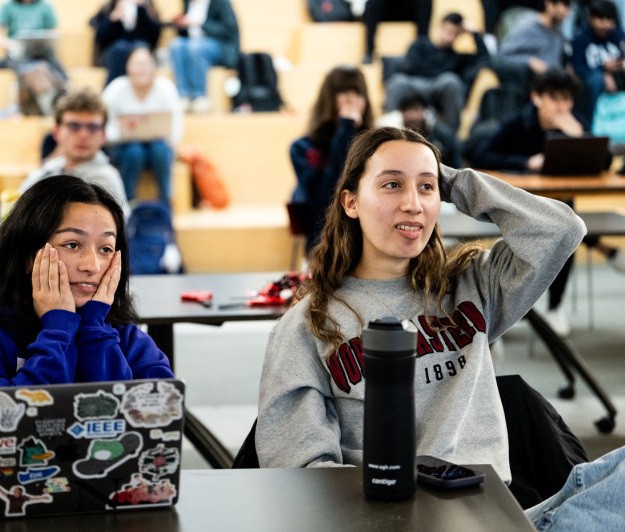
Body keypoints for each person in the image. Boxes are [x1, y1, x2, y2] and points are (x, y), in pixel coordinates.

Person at [253, 126, 625, 529]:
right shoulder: (308, 325)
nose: (413, 204)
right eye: (392, 185)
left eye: (426, 188)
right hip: (396, 518)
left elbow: (562, 230)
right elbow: (299, 476)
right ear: (351, 202)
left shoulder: (470, 284)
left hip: (493, 513)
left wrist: (452, 180)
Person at [0, 176, 175, 473]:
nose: (93, 265)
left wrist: (92, 331)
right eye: (73, 244)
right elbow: (0, 442)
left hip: (98, 510)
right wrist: (58, 330)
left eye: (106, 249)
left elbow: (149, 437)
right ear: (26, 256)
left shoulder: (121, 336)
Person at [468, 68, 625, 335]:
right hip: (516, 208)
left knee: (566, 228)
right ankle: (602, 249)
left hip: (559, 207)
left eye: (567, 99)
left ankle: (554, 306)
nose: (562, 106)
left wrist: (579, 136)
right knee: (563, 228)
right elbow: (480, 155)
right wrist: (525, 163)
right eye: (555, 98)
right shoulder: (516, 124)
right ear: (536, 97)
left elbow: (606, 162)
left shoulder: (574, 122)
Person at [290, 65, 374, 254]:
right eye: (343, 91)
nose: (351, 99)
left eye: (357, 92)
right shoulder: (302, 148)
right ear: (328, 98)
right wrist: (345, 128)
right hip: (323, 242)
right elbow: (329, 197)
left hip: (367, 241)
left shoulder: (376, 145)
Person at [19, 89, 131, 219]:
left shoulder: (106, 180)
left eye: (92, 127)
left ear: (103, 136)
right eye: (74, 126)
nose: (83, 135)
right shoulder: (41, 174)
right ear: (57, 132)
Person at [383, 11, 490, 134]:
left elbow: (485, 59)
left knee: (451, 81)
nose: (449, 36)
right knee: (398, 82)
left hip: (439, 87)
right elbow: (407, 67)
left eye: (454, 33)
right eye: (448, 30)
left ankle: (450, 137)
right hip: (414, 84)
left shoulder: (457, 57)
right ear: (440, 27)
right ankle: (388, 133)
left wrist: (474, 33)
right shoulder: (420, 44)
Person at [102, 45, 183, 203]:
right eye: (136, 64)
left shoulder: (166, 88)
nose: (141, 69)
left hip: (158, 147)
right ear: (127, 67)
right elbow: (102, 124)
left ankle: (165, 200)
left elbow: (176, 125)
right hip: (124, 148)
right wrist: (120, 132)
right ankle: (127, 201)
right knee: (134, 151)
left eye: (145, 63)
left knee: (160, 149)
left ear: (154, 66)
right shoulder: (115, 89)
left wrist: (173, 143)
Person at [0, 0, 67, 115]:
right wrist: (11, 44)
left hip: (42, 53)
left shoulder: (45, 5)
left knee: (53, 68)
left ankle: (64, 94)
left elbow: (55, 32)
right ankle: (50, 110)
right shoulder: (7, 6)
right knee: (35, 69)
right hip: (18, 54)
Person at [493, 0, 572, 109]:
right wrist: (529, 61)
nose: (568, 13)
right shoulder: (528, 26)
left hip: (555, 82)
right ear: (549, 5)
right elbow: (502, 55)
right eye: (565, 6)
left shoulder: (558, 31)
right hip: (531, 83)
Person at [169, 0, 240, 113]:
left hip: (220, 46)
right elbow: (187, 34)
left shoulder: (220, 2)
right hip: (192, 44)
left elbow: (229, 29)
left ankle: (200, 95)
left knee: (196, 47)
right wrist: (181, 24)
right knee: (176, 45)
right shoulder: (188, 2)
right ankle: (183, 95)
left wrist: (200, 23)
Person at [571, 0, 625, 122]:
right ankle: (590, 125)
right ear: (591, 18)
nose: (605, 24)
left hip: (619, 75)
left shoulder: (619, 36)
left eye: (609, 19)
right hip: (592, 78)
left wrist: (618, 66)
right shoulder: (580, 39)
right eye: (600, 19)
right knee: (596, 81)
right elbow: (578, 68)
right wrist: (603, 70)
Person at [375, 93, 463, 168]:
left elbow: (455, 165)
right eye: (407, 110)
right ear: (401, 114)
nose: (413, 116)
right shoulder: (391, 139)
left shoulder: (443, 136)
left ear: (425, 111)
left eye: (416, 109)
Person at [90, 0, 162, 86]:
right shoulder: (108, 7)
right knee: (120, 48)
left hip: (140, 48)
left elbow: (154, 37)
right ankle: (112, 91)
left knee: (140, 49)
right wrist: (113, 18)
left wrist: (142, 10)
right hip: (113, 52)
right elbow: (100, 37)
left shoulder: (147, 6)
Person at [360, 0, 432, 64]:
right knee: (371, 3)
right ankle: (369, 52)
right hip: (386, 8)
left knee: (425, 1)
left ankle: (422, 49)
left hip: (408, 8)